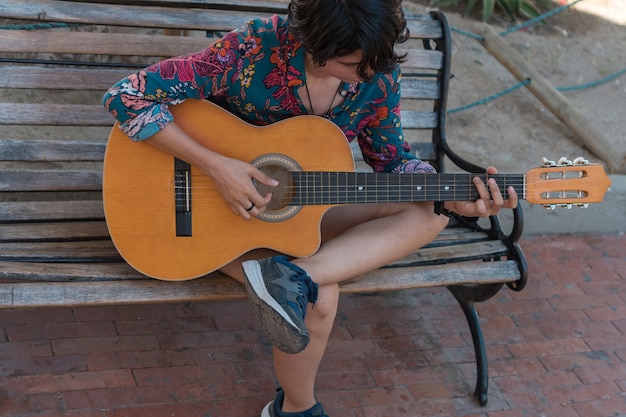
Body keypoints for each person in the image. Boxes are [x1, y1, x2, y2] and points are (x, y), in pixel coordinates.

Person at [103, 1, 518, 416]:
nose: (370, 73)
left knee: (431, 212)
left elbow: (391, 161)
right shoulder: (254, 47)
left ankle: (293, 277)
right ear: (314, 47)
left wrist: (450, 195)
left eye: (378, 60)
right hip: (217, 225)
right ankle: (296, 408)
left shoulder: (377, 71)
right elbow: (126, 97)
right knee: (320, 301)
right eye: (354, 64)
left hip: (305, 214)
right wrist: (216, 167)